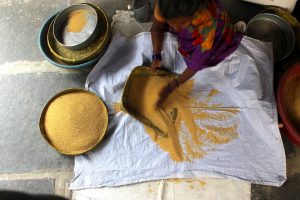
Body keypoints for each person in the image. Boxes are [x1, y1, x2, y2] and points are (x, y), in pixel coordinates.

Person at [150, 0, 243, 106]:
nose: (175, 27)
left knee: (215, 47)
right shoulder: (165, 6)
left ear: (193, 13)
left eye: (182, 23)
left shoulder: (207, 23)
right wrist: (156, 56)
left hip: (211, 28)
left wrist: (173, 85)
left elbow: (197, 62)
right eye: (171, 22)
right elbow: (157, 28)